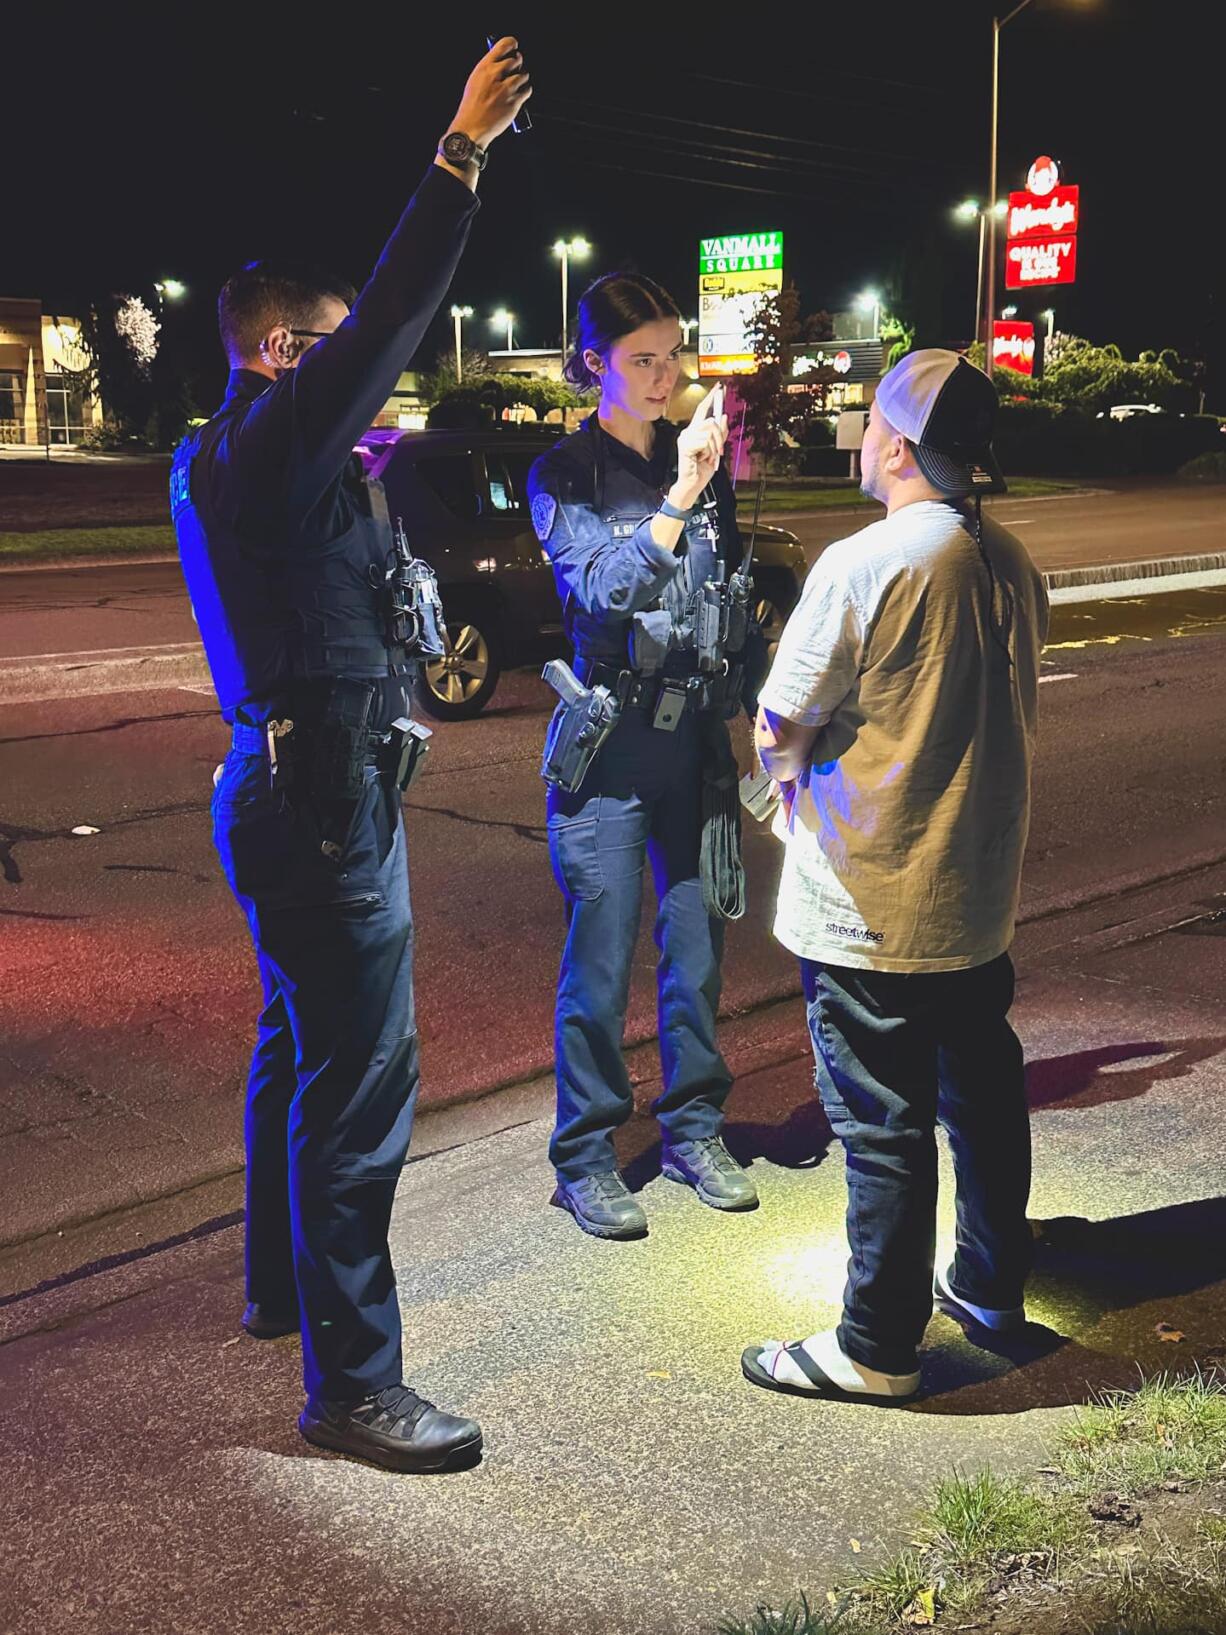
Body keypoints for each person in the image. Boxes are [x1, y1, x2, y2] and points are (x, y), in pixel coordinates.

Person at [170, 40, 531, 1472]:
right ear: (279, 353)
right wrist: (457, 158)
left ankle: (279, 1290)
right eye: (336, 355)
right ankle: (355, 1383)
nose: (372, 380)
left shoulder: (252, 457)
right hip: (318, 806)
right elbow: (388, 316)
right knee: (359, 1082)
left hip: (290, 790)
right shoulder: (265, 443)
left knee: (295, 1046)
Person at [740, 351, 1049, 1405]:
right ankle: (991, 1286)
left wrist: (781, 783)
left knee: (882, 1125)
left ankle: (875, 1344)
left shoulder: (866, 561)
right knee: (981, 1100)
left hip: (870, 901)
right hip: (973, 897)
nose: (861, 438)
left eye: (871, 420)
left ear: (900, 442)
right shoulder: (1008, 560)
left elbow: (783, 716)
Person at [527, 272, 766, 1241]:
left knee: (695, 957)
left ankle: (693, 1130)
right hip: (609, 755)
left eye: (673, 355)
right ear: (595, 365)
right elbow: (599, 597)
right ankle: (583, 1156)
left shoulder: (700, 465)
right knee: (596, 967)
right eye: (642, 359)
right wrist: (681, 491)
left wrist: (753, 735)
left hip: (694, 750)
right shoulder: (564, 475)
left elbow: (730, 612)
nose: (665, 375)